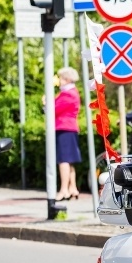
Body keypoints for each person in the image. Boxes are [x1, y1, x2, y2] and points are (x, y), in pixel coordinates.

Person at [44, 67, 82, 201]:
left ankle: (64, 190)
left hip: (64, 128)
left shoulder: (68, 94)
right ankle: (73, 188)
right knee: (69, 160)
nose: (59, 81)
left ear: (66, 79)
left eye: (60, 78)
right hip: (68, 128)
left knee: (63, 160)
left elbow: (53, 109)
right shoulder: (70, 93)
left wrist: (46, 102)